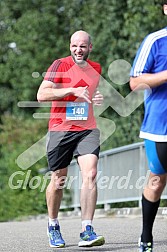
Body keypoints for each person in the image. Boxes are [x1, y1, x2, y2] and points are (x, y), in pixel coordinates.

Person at [37, 30, 105, 248]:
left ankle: (87, 229)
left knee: (91, 173)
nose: (78, 50)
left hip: (87, 128)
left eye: (83, 46)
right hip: (60, 129)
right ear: (70, 46)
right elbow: (42, 94)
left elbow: (89, 94)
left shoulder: (96, 68)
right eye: (75, 46)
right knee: (58, 181)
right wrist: (70, 89)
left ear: (90, 48)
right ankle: (53, 225)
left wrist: (96, 98)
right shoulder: (60, 65)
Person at [130, 1, 167, 251]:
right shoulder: (155, 41)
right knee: (157, 181)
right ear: (165, 8)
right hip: (160, 127)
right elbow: (135, 83)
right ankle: (146, 236)